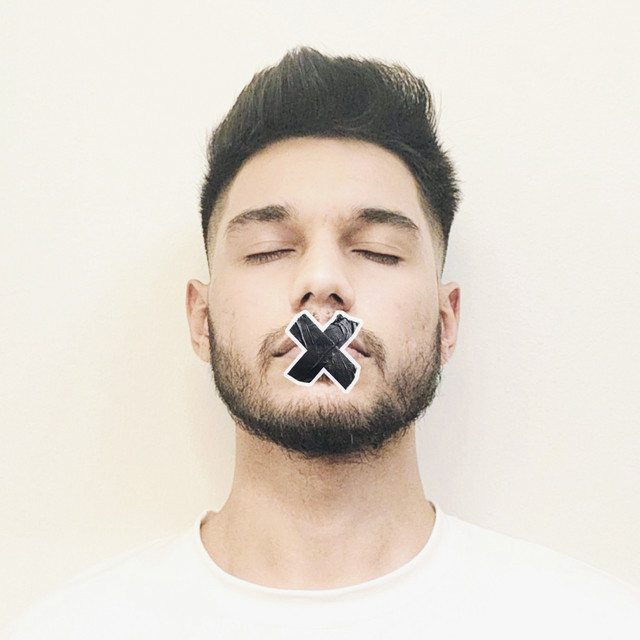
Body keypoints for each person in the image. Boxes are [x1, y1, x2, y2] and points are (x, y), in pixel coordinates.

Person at [4, 47, 639, 640]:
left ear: (446, 322)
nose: (322, 281)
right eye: (269, 250)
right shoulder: (67, 630)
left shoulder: (590, 623)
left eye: (377, 251)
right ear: (201, 319)